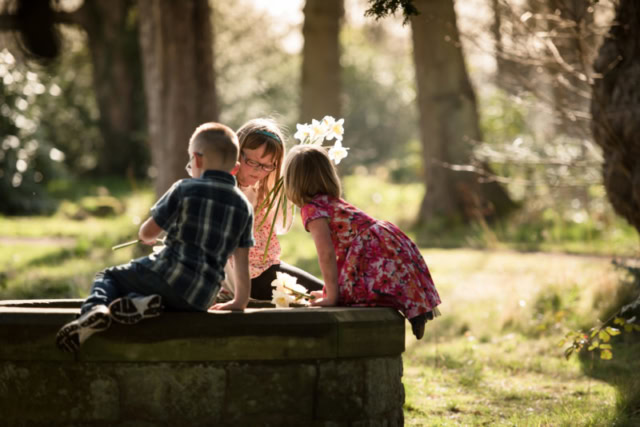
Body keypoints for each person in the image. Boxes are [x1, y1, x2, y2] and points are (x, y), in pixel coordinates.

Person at [56, 122, 254, 352]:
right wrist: (239, 302)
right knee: (160, 291)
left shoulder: (184, 189)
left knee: (109, 277)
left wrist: (148, 238)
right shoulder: (244, 207)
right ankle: (143, 305)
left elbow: (148, 232)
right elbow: (241, 261)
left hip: (169, 275)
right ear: (236, 168)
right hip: (201, 297)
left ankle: (94, 311)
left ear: (197, 160)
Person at [283, 145, 441, 339]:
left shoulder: (312, 209)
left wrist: (331, 297)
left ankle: (412, 313)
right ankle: (415, 310)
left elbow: (326, 254)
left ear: (292, 181)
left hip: (371, 250)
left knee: (358, 294)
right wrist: (327, 291)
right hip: (386, 242)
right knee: (383, 284)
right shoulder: (329, 201)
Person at [220, 118, 323, 302]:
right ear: (236, 153)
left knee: (325, 293)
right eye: (252, 161)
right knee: (324, 295)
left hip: (266, 269)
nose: (259, 171)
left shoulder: (262, 191)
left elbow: (282, 226)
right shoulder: (221, 189)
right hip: (244, 278)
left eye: (268, 165)